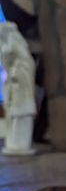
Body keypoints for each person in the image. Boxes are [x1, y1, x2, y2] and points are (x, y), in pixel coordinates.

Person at [0, 22, 36, 155]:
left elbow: (23, 64)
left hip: (21, 90)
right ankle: (14, 143)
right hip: (13, 90)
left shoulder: (21, 56)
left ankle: (20, 144)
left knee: (21, 115)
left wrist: (15, 74)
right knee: (13, 116)